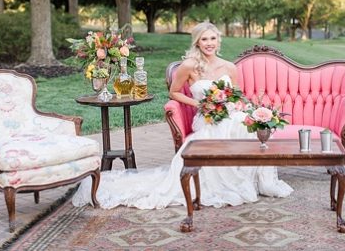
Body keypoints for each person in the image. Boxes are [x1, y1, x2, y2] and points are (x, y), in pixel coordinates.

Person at [72, 22, 293, 210]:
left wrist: (234, 106)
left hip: (228, 113)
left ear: (219, 41)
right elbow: (173, 92)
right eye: (204, 39)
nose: (209, 43)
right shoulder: (189, 66)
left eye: (213, 38)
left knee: (246, 124)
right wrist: (199, 103)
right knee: (226, 127)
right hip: (206, 118)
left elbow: (237, 96)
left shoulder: (229, 67)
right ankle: (222, 184)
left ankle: (253, 180)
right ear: (197, 42)